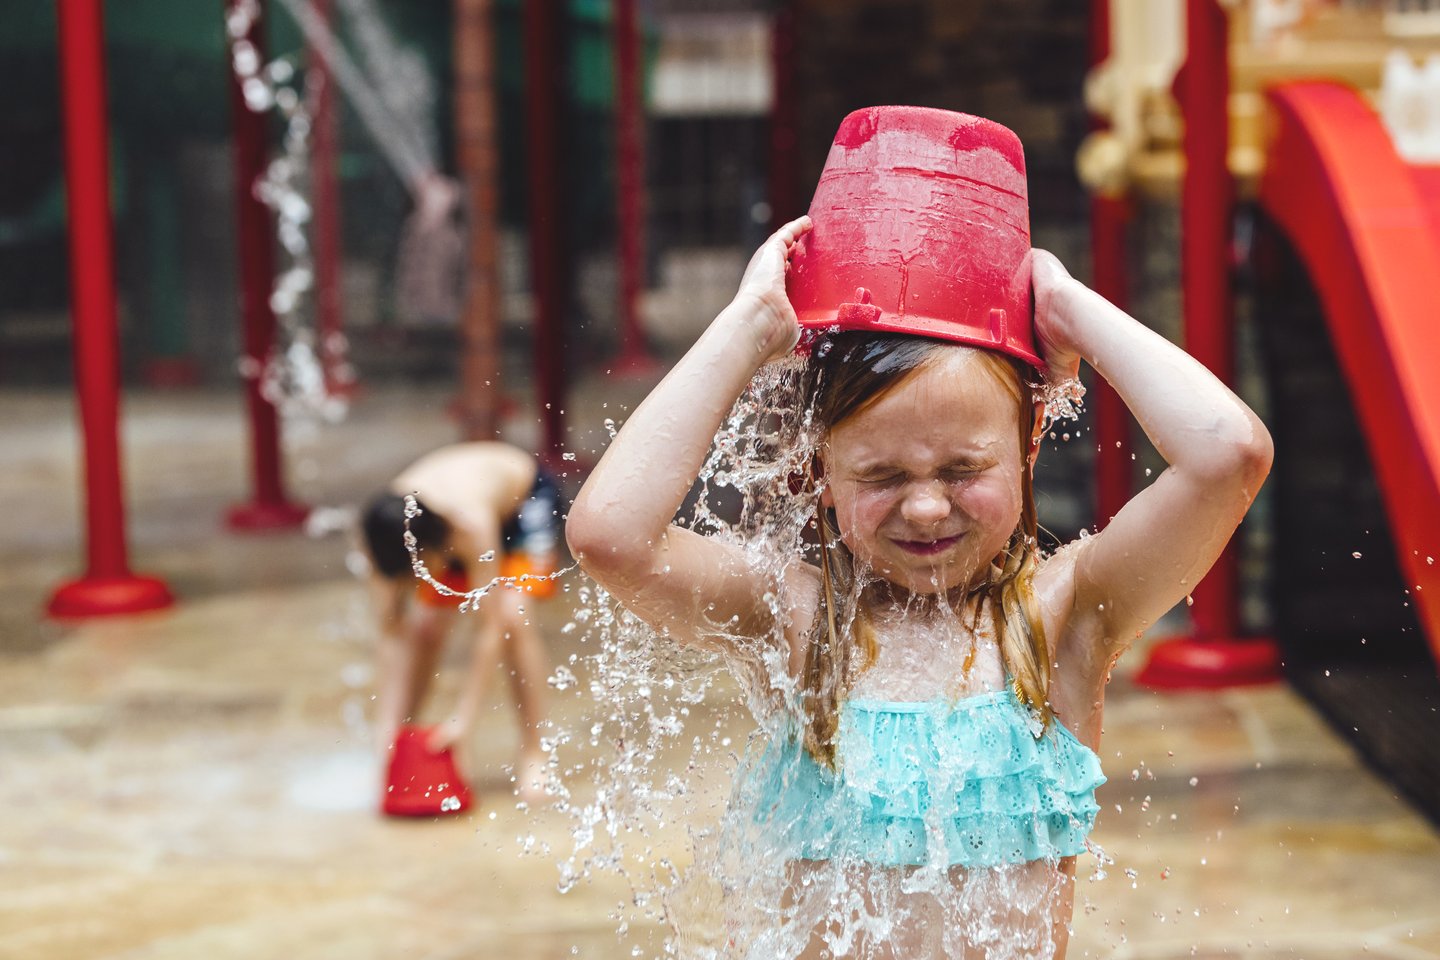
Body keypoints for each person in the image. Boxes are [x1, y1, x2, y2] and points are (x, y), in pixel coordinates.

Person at [564, 131, 1271, 957]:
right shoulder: (794, 618)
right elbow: (611, 537)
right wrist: (747, 327)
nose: (927, 506)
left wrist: (1070, 309)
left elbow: (1230, 456)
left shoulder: (1063, 617)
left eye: (964, 467)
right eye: (882, 475)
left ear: (1031, 445)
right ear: (820, 468)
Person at [361, 442, 561, 812]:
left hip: (523, 500)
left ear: (435, 551)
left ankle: (535, 752)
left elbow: (491, 628)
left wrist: (462, 721)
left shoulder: (471, 525)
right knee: (425, 627)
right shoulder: (383, 536)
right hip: (440, 525)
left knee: (514, 617)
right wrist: (386, 728)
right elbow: (391, 632)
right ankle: (401, 739)